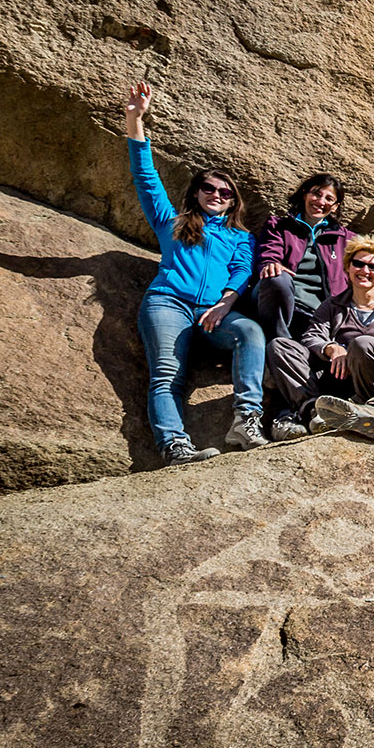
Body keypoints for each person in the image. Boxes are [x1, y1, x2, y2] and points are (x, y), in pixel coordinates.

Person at [122, 81, 268, 466]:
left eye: (225, 192)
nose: (217, 195)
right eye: (209, 187)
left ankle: (246, 418)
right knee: (169, 374)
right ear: (197, 191)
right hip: (167, 304)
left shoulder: (240, 236)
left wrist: (225, 304)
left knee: (250, 332)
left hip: (213, 311)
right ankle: (175, 445)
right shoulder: (172, 222)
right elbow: (145, 178)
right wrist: (135, 120)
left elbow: (242, 272)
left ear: (234, 200)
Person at [266, 236, 374, 442]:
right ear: (348, 268)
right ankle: (316, 411)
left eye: (373, 267)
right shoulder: (332, 305)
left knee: (363, 343)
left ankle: (365, 407)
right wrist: (331, 348)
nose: (365, 271)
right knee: (280, 346)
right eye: (358, 264)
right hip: (338, 377)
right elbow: (312, 337)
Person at [252, 172, 374, 339]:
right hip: (281, 303)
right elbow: (269, 252)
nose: (321, 202)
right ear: (304, 194)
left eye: (329, 199)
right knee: (277, 277)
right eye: (316, 193)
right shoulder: (279, 225)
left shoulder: (344, 239)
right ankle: (279, 339)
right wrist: (270, 263)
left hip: (318, 313)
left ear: (336, 206)